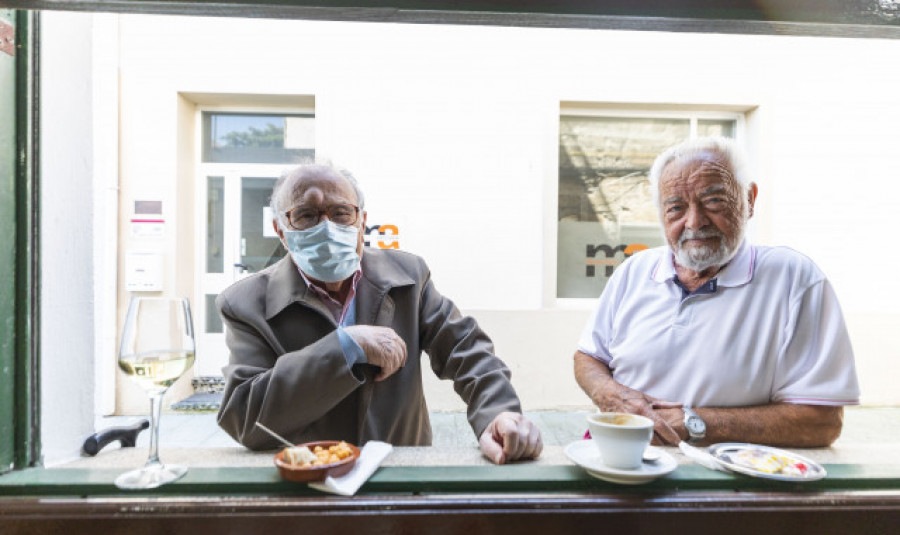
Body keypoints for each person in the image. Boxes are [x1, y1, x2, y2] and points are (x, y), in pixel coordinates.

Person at [217, 162, 542, 464]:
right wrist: (346, 346)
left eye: (341, 212)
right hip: (311, 488)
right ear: (280, 230)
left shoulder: (407, 275)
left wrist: (497, 412)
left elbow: (464, 348)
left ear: (361, 221)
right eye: (306, 215)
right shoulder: (245, 303)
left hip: (400, 477)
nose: (326, 228)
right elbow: (245, 417)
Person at [574, 137, 859, 448]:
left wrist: (695, 421)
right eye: (676, 208)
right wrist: (608, 392)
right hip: (619, 463)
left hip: (726, 482)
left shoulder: (795, 279)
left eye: (713, 202)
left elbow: (821, 423)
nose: (694, 222)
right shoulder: (635, 271)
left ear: (749, 199)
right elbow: (589, 356)